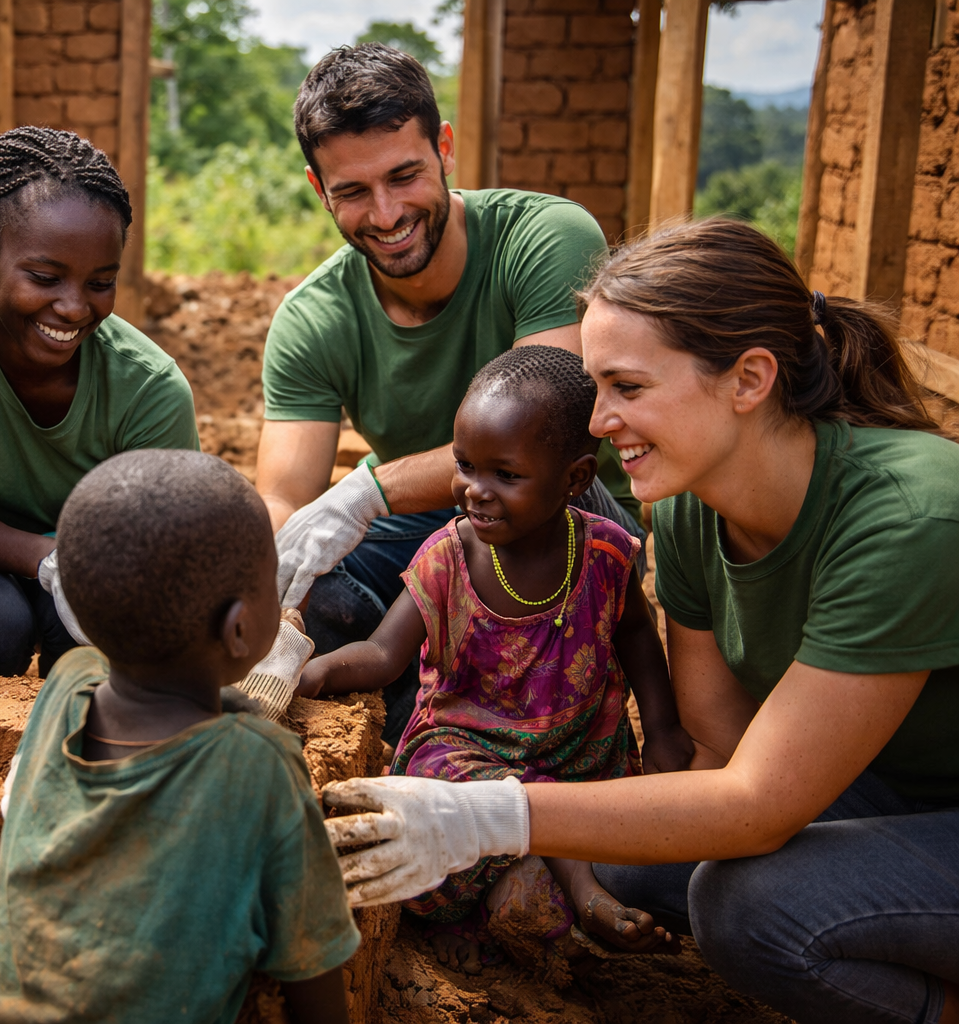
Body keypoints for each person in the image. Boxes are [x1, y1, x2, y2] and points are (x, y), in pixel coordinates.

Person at [320, 219, 959, 1024]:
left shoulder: (908, 517)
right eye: (596, 388)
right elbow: (716, 744)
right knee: (633, 866)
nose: (596, 422)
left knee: (748, 907)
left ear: (750, 379)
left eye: (627, 387)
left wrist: (484, 815)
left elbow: (759, 800)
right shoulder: (693, 510)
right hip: (885, 794)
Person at [0, 449, 358, 1024]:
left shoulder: (67, 684)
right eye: (269, 582)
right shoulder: (260, 764)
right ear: (239, 629)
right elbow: (311, 964)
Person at [256, 44, 640, 742]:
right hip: (442, 532)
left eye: (404, 175)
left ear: (445, 149)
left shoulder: (543, 238)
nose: (386, 212)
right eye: (351, 192)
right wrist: (271, 579)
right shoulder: (313, 319)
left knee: (535, 492)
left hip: (569, 520)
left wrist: (368, 491)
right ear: (319, 189)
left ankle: (528, 744)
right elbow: (287, 497)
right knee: (319, 582)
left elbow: (553, 434)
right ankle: (428, 733)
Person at [298, 345, 689, 969]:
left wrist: (664, 730)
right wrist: (317, 669)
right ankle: (572, 890)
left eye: (505, 475)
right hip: (468, 752)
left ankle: (525, 892)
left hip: (578, 750)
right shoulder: (447, 557)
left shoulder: (605, 555)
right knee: (436, 801)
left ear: (576, 479)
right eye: (465, 466)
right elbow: (381, 653)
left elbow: (638, 636)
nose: (475, 492)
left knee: (622, 832)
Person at [0, 127, 199, 682]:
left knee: (98, 643)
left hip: (94, 561)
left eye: (101, 282)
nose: (72, 308)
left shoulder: (149, 388)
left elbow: (159, 554)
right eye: (45, 278)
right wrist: (46, 560)